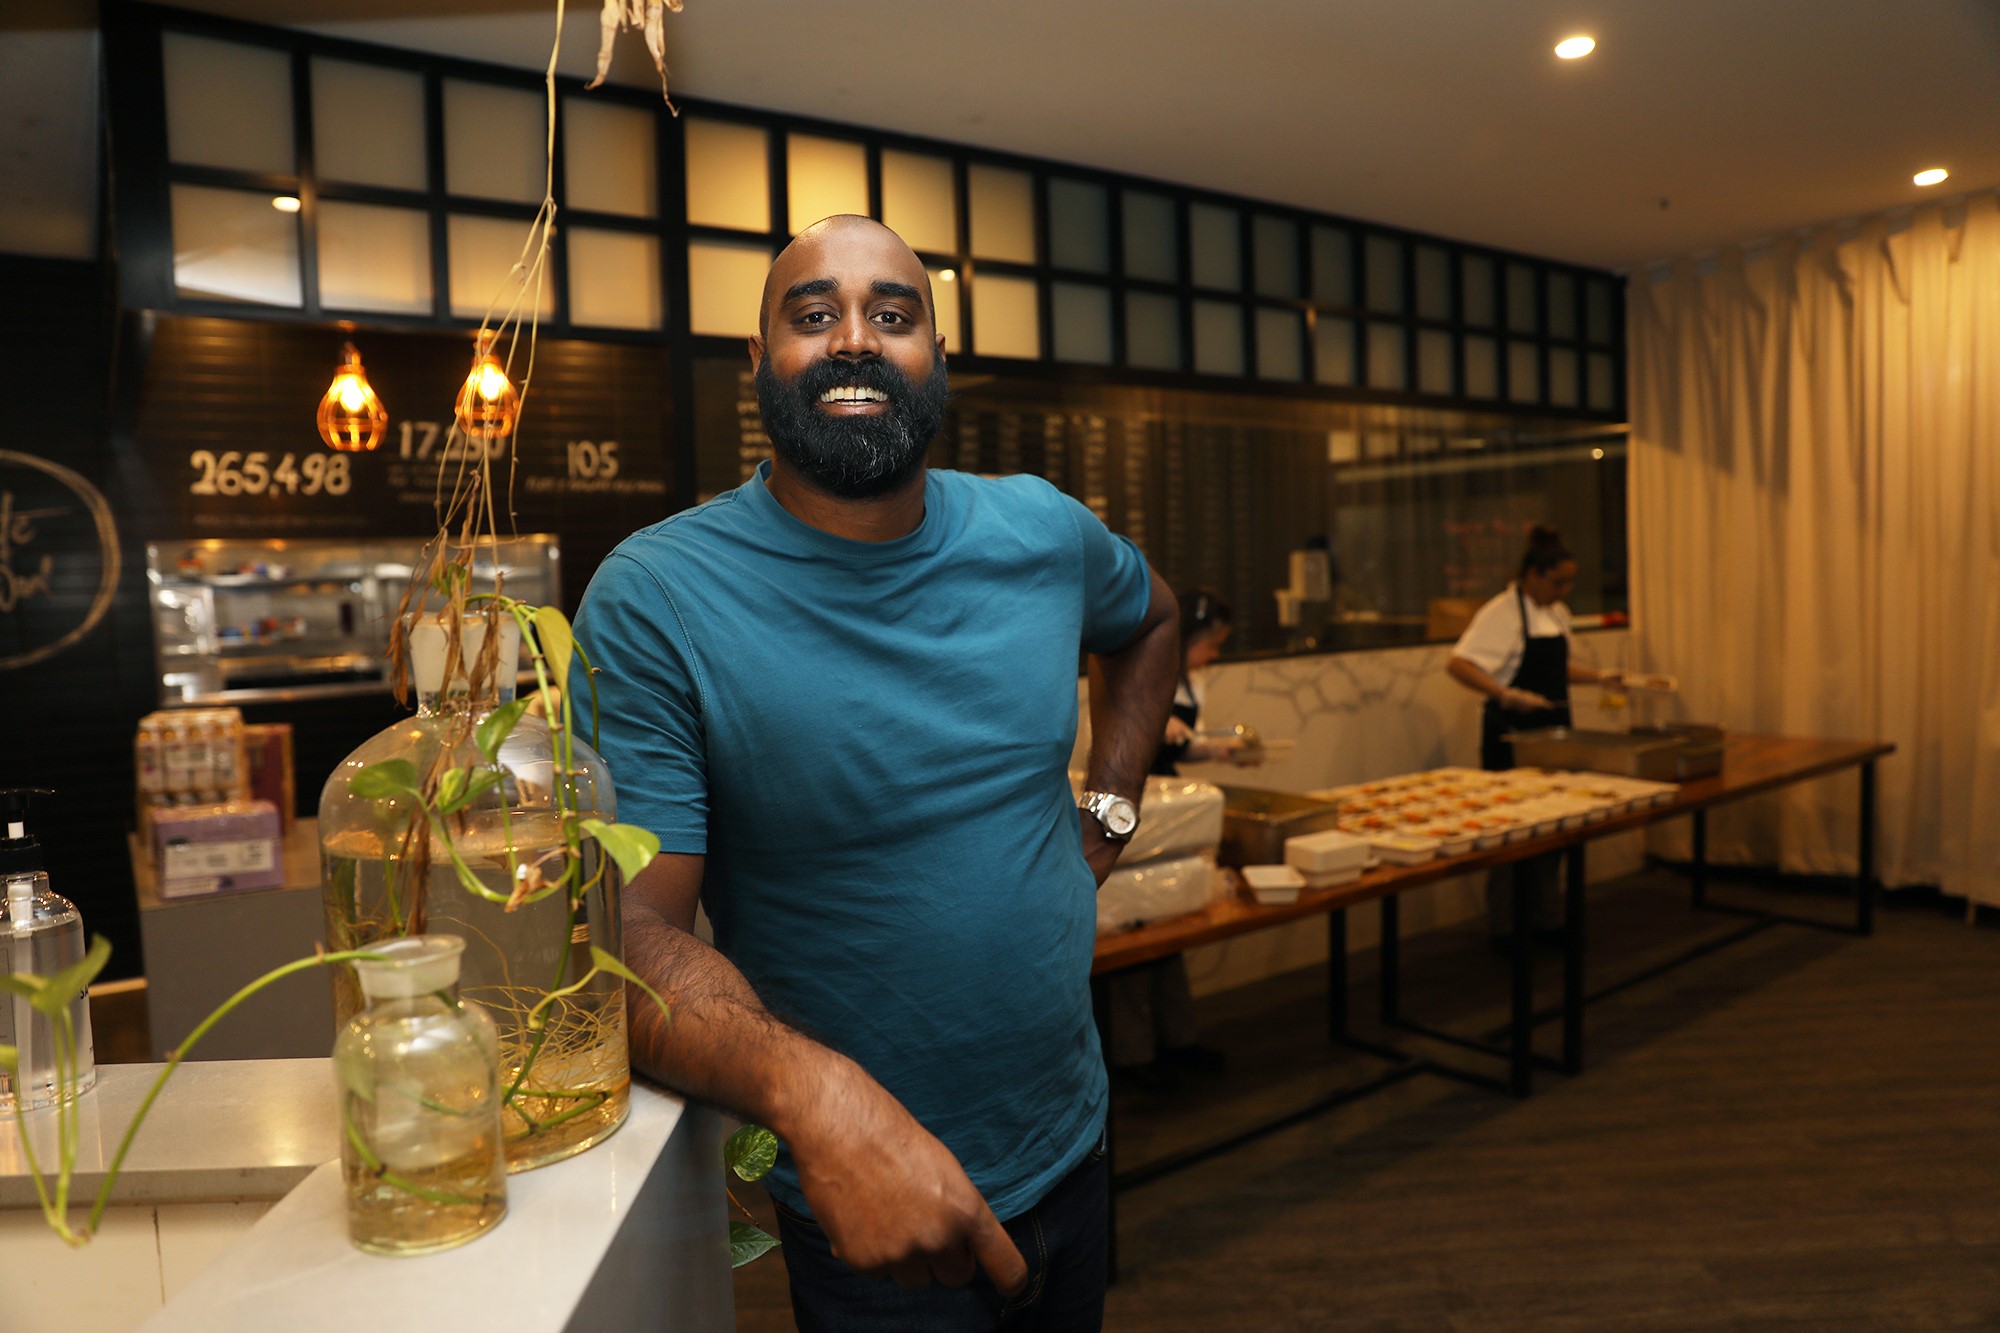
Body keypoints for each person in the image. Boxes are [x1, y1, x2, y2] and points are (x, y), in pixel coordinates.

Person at [574, 214, 1179, 1332]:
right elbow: (627, 938)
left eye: (891, 316)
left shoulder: (1039, 531)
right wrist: (820, 1099)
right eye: (814, 315)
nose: (854, 339)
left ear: (937, 360)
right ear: (756, 364)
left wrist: (1112, 800)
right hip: (868, 1205)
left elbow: (1149, 621)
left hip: (1074, 1138)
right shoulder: (656, 594)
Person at [1445, 525, 1622, 941]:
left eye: (1569, 582)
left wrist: (1601, 677)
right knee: (1511, 832)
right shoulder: (1501, 613)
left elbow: (1554, 669)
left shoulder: (1556, 614)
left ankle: (1545, 918)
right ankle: (1507, 929)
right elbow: (1460, 665)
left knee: (1556, 827)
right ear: (1533, 575)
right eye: (1558, 582)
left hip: (1554, 734)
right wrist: (1507, 695)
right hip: (1512, 736)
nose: (1564, 590)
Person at [1106, 588, 1243, 1092]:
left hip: (1174, 817)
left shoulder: (1193, 683)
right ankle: (1132, 1053)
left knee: (1171, 929)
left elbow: (1182, 747)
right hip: (1132, 812)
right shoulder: (1133, 670)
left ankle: (1179, 1039)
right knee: (1136, 932)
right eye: (1211, 645)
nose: (1214, 655)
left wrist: (1219, 754)